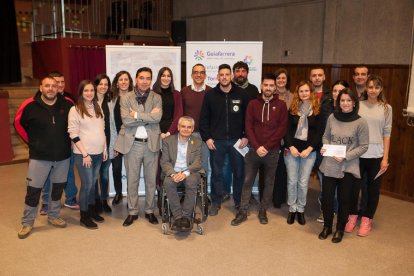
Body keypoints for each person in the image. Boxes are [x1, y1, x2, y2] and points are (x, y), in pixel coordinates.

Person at [14, 76, 73, 239]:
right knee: (33, 191)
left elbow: (75, 125)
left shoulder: (68, 104)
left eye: (54, 86)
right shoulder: (29, 105)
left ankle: (54, 216)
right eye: (47, 85)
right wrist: (32, 142)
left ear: (58, 88)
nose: (51, 88)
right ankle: (27, 222)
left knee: (57, 189)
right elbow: (18, 124)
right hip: (39, 157)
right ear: (41, 88)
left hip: (62, 156)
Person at [231, 73, 288, 226]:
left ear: (275, 87)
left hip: (272, 151)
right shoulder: (252, 104)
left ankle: (263, 210)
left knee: (269, 182)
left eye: (271, 85)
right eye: (266, 85)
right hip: (252, 150)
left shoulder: (281, 105)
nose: (268, 88)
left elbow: (281, 129)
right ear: (261, 86)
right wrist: (257, 146)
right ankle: (242, 211)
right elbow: (248, 126)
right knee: (247, 180)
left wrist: (267, 147)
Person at [319, 88, 369, 243]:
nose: (345, 103)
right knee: (327, 198)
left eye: (348, 100)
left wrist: (346, 156)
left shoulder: (361, 122)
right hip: (330, 164)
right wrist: (326, 147)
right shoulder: (332, 118)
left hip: (348, 166)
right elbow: (326, 136)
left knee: (344, 199)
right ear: (338, 102)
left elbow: (364, 146)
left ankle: (340, 229)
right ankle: (327, 226)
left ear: (354, 102)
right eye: (342, 100)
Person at [114, 67, 162, 227]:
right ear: (136, 79)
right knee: (132, 180)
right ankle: (132, 211)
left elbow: (157, 118)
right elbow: (126, 121)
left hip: (151, 144)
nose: (145, 81)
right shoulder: (126, 98)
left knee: (150, 181)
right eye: (142, 78)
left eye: (148, 78)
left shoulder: (156, 97)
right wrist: (148, 117)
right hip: (132, 144)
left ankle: (149, 211)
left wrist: (135, 114)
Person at [345, 75, 392, 237]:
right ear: (366, 88)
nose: (373, 90)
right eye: (370, 87)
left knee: (373, 190)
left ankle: (367, 219)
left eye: (376, 87)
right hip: (358, 154)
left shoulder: (387, 108)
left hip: (376, 155)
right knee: (353, 187)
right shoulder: (358, 105)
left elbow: (387, 134)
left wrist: (385, 158)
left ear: (381, 89)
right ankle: (352, 216)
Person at [199, 64, 249, 216]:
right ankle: (216, 202)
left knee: (239, 173)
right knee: (217, 173)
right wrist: (207, 138)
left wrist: (246, 135)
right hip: (217, 141)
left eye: (227, 74)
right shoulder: (210, 95)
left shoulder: (241, 94)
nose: (224, 77)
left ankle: (239, 202)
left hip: (237, 141)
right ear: (218, 76)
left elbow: (248, 117)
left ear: (231, 76)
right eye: (222, 75)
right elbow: (203, 119)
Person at [68, 80, 107, 229]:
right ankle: (84, 216)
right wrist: (84, 153)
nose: (89, 93)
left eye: (91, 90)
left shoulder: (98, 108)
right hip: (84, 154)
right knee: (87, 184)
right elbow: (73, 133)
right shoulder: (75, 109)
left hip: (98, 153)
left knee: (92, 184)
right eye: (86, 91)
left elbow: (101, 130)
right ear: (81, 92)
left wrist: (104, 149)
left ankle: (91, 211)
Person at [39, 71, 78, 215]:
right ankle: (46, 203)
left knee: (69, 174)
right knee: (47, 176)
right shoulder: (41, 101)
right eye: (57, 82)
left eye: (62, 82)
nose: (60, 85)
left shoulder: (70, 100)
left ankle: (71, 198)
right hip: (47, 148)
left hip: (67, 146)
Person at [284, 80, 323, 225]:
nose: (304, 93)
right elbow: (286, 130)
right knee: (292, 181)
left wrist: (310, 148)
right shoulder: (293, 109)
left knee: (303, 182)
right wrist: (291, 147)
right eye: (301, 91)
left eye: (307, 91)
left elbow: (319, 132)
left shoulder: (317, 110)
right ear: (297, 93)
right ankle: (292, 209)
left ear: (311, 92)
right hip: (292, 151)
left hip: (309, 152)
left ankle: (300, 209)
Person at [316, 80, 350, 223]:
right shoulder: (324, 107)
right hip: (324, 151)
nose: (337, 94)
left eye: (340, 91)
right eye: (334, 91)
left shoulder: (349, 111)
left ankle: (336, 210)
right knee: (326, 185)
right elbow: (320, 130)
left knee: (339, 186)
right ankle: (326, 211)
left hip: (342, 155)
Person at [160, 116, 202, 231]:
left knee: (191, 182)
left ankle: (186, 217)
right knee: (168, 183)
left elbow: (197, 163)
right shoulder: (167, 141)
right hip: (173, 171)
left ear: (193, 129)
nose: (186, 129)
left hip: (190, 172)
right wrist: (173, 174)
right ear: (178, 127)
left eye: (189, 127)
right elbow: (165, 162)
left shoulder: (197, 142)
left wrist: (185, 173)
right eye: (183, 126)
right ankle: (178, 217)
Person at [232, 61, 260, 204]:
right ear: (234, 73)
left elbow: (255, 114)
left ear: (247, 73)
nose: (240, 74)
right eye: (237, 71)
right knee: (229, 168)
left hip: (247, 136)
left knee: (247, 167)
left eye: (243, 71)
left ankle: (247, 194)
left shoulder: (253, 90)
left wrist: (248, 134)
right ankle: (230, 193)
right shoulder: (227, 88)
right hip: (230, 135)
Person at [152, 67, 183, 188]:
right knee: (157, 162)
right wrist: (160, 133)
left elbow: (179, 114)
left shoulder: (176, 94)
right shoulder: (152, 93)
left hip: (172, 133)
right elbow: (150, 115)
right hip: (155, 132)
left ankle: (173, 187)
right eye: (163, 75)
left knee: (172, 161)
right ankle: (159, 188)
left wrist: (169, 132)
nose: (166, 78)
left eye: (168, 76)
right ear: (159, 77)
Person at [181, 63, 212, 175]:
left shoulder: (211, 92)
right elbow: (181, 113)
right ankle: (190, 190)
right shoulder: (184, 91)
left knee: (203, 165)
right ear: (191, 75)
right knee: (186, 164)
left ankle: (202, 192)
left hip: (205, 136)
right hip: (187, 134)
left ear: (205, 75)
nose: (199, 75)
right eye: (196, 72)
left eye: (201, 72)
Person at [109, 71, 134, 205]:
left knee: (132, 169)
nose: (124, 82)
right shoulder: (111, 99)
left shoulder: (135, 98)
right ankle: (118, 192)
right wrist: (114, 142)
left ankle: (131, 194)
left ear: (130, 82)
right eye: (121, 80)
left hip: (131, 139)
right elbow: (110, 122)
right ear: (117, 83)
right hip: (116, 139)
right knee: (116, 168)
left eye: (126, 79)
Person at [272, 68, 294, 208]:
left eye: (283, 78)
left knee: (282, 171)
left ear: (287, 80)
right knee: (269, 171)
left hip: (286, 139)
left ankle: (278, 199)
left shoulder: (293, 97)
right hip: (270, 139)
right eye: (278, 78)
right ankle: (267, 197)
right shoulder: (268, 95)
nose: (281, 80)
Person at [93, 74, 112, 213]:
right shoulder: (88, 101)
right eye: (100, 84)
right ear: (95, 85)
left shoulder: (111, 101)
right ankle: (95, 200)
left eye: (106, 84)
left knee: (104, 175)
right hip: (93, 145)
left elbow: (114, 125)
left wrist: (113, 146)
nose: (103, 87)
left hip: (108, 143)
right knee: (93, 176)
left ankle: (104, 200)